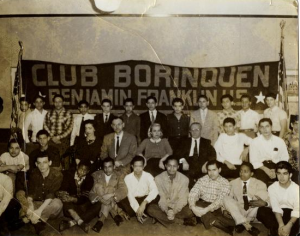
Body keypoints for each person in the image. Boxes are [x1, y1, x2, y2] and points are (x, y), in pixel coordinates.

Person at [147, 156, 195, 227]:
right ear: (165, 165)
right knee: (150, 209)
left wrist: (174, 211)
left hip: (178, 207)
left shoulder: (185, 179)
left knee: (190, 211)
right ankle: (180, 221)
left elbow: (183, 199)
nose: (172, 169)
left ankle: (162, 219)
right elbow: (161, 198)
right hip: (164, 206)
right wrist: (167, 210)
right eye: (169, 166)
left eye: (174, 166)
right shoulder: (158, 179)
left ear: (178, 167)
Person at [188, 160, 234, 235]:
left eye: (214, 170)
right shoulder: (203, 179)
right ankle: (215, 223)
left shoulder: (225, 182)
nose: (211, 173)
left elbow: (219, 201)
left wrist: (205, 210)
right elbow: (193, 193)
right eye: (209, 170)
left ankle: (204, 219)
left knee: (232, 222)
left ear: (219, 170)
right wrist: (193, 206)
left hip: (215, 207)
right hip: (201, 203)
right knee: (191, 207)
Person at [222, 162, 268, 236]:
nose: (242, 173)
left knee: (261, 197)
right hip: (239, 210)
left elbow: (265, 199)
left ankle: (241, 223)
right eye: (241, 171)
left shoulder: (260, 184)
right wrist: (224, 209)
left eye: (245, 171)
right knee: (225, 198)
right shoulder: (233, 183)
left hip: (253, 211)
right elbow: (229, 199)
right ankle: (247, 225)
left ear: (251, 173)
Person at [256, 161, 299, 236]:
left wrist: (289, 226)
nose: (281, 177)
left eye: (285, 173)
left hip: (292, 215)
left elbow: (297, 209)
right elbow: (275, 207)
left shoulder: (296, 188)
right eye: (279, 173)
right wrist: (281, 225)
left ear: (290, 175)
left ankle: (278, 232)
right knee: (261, 211)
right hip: (278, 214)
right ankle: (279, 231)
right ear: (276, 174)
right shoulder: (272, 187)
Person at [58, 159, 100, 233]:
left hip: (82, 204)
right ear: (77, 167)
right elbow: (63, 189)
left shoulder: (90, 179)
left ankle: (71, 223)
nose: (82, 172)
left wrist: (73, 199)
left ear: (88, 171)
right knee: (66, 202)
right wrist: (65, 196)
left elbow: (84, 197)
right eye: (81, 169)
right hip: (70, 207)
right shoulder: (68, 175)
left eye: (85, 170)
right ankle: (81, 222)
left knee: (99, 205)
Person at [24, 154, 63, 235]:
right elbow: (30, 192)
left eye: (44, 162)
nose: (42, 166)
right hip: (37, 203)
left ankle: (34, 219)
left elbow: (51, 194)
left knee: (57, 204)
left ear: (50, 163)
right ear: (36, 164)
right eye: (39, 163)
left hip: (49, 205)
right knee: (25, 206)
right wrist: (30, 205)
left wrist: (39, 211)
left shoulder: (57, 175)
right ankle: (37, 222)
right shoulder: (33, 173)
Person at [89, 157, 129, 233]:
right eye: (105, 167)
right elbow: (92, 192)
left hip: (112, 198)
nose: (107, 170)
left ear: (114, 167)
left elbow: (123, 190)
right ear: (102, 167)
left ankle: (101, 220)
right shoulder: (97, 175)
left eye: (110, 167)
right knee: (99, 186)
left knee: (110, 189)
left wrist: (112, 194)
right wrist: (100, 199)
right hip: (101, 200)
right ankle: (115, 214)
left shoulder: (119, 175)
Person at [119, 156, 158, 224]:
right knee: (122, 200)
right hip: (134, 199)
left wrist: (144, 203)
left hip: (145, 198)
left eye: (140, 166)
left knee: (157, 197)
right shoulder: (127, 178)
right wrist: (137, 209)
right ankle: (142, 213)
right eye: (135, 166)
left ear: (143, 166)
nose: (138, 169)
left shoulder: (148, 176)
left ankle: (144, 211)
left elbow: (155, 190)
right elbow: (130, 195)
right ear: (132, 166)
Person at [176, 122, 216, 188]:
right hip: (188, 163)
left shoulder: (206, 142)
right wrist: (183, 161)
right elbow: (177, 153)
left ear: (200, 130)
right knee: (187, 180)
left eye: (197, 130)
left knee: (202, 180)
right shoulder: (184, 141)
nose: (194, 132)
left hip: (201, 164)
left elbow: (213, 155)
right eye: (192, 130)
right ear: (190, 131)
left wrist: (207, 163)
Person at [250, 118, 289, 184]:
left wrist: (276, 170)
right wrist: (266, 170)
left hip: (277, 166)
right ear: (259, 129)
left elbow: (285, 157)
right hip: (261, 167)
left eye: (267, 126)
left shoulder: (279, 141)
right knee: (261, 184)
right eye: (262, 127)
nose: (265, 129)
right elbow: (253, 160)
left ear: (271, 127)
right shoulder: (254, 142)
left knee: (283, 181)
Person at [43, 94, 74, 160]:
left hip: (63, 140)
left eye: (60, 101)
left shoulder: (68, 113)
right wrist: (52, 137)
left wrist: (58, 137)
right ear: (53, 103)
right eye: (56, 102)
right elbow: (45, 126)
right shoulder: (49, 113)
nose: (58, 104)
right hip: (51, 139)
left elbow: (69, 128)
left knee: (62, 158)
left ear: (63, 102)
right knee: (49, 157)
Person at [284, 115, 299, 183]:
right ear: (292, 124)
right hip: (293, 167)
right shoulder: (287, 136)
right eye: (297, 124)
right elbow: (286, 154)